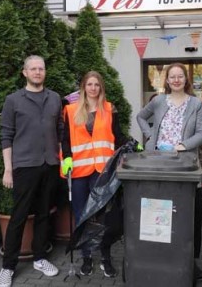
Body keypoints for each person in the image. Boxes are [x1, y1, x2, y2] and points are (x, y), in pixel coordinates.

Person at [136, 62, 202, 282]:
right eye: (172, 77)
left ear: (185, 80)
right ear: (167, 81)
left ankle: (190, 262)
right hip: (158, 164)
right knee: (160, 212)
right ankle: (160, 257)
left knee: (190, 215)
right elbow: (140, 117)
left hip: (185, 165)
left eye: (180, 76)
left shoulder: (196, 104)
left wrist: (183, 145)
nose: (176, 80)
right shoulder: (158, 101)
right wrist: (150, 135)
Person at [0, 55, 63, 287]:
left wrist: (62, 160)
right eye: (33, 69)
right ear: (24, 72)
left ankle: (40, 258)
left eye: (41, 68)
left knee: (45, 214)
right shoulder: (13, 100)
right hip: (24, 166)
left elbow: (60, 131)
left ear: (45, 72)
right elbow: (6, 135)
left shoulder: (55, 98)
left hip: (50, 164)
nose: (37, 72)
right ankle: (8, 267)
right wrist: (8, 169)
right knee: (19, 217)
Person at [61, 71, 128, 278]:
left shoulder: (109, 108)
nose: (93, 88)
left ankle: (106, 257)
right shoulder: (71, 110)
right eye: (89, 84)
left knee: (103, 216)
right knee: (82, 215)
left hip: (102, 172)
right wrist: (67, 158)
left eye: (96, 85)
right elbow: (65, 138)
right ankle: (87, 256)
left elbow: (117, 136)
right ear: (83, 87)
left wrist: (133, 145)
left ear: (101, 88)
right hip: (80, 171)